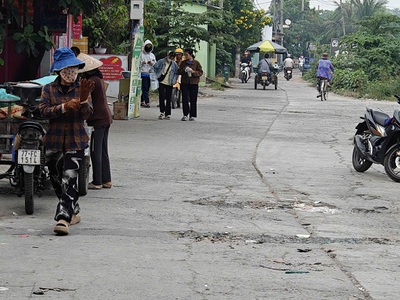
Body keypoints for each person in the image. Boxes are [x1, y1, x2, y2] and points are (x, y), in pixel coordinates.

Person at [40, 47, 94, 235]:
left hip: (76, 138)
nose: (70, 72)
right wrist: (63, 107)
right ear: (59, 71)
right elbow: (43, 111)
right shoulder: (48, 89)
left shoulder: (83, 88)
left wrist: (84, 102)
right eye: (66, 69)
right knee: (55, 177)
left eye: (73, 68)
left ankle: (63, 217)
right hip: (54, 140)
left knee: (69, 177)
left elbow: (87, 116)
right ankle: (73, 209)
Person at [76, 52, 113, 190]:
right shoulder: (98, 78)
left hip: (98, 119)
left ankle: (97, 181)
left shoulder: (91, 81)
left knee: (95, 150)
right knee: (102, 150)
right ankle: (106, 180)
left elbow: (85, 100)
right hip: (105, 117)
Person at [178, 48, 203, 121]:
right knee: (185, 98)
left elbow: (200, 72)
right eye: (185, 55)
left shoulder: (196, 63)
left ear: (191, 54)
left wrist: (193, 72)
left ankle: (192, 115)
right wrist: (184, 70)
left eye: (187, 55)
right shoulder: (183, 63)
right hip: (185, 82)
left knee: (193, 99)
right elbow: (178, 71)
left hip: (194, 83)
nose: (185, 56)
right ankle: (185, 114)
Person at [153, 50, 178, 120]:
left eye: (172, 57)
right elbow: (154, 67)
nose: (171, 58)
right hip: (161, 81)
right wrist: (156, 75)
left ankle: (168, 113)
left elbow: (176, 73)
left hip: (169, 82)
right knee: (161, 97)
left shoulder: (174, 64)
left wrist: (174, 80)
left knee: (168, 98)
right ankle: (162, 112)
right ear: (167, 55)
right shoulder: (161, 61)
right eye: (170, 56)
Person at [140, 40, 156, 108]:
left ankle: (142, 101)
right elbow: (137, 63)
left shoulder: (152, 55)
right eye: (147, 46)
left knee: (147, 88)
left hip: (150, 74)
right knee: (145, 88)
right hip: (143, 73)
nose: (148, 47)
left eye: (150, 46)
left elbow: (155, 64)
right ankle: (147, 102)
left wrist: (151, 63)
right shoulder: (141, 54)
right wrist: (142, 63)